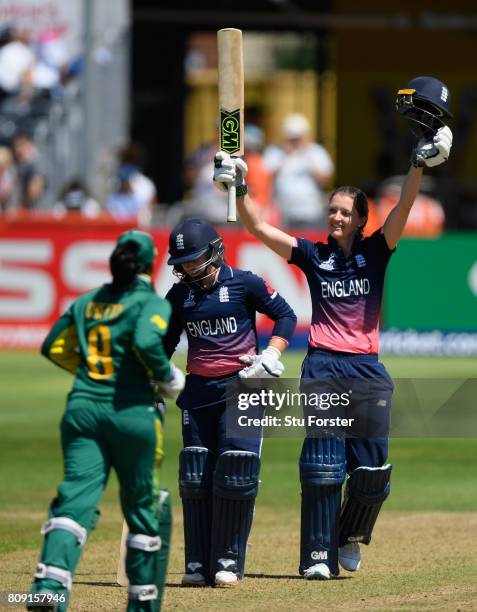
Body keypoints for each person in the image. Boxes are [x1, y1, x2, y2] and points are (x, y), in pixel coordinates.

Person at [213, 77, 453, 579]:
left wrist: (416, 163)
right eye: (332, 211)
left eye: (345, 212)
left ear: (362, 219)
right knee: (323, 467)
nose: (336, 217)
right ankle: (318, 556)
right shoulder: (313, 255)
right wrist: (238, 184)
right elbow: (257, 228)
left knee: (372, 475)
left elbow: (404, 208)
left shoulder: (376, 251)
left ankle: (349, 535)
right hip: (322, 364)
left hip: (366, 369)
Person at [27, 230, 185, 612]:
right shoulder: (150, 303)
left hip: (81, 410)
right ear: (150, 265)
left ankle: (48, 586)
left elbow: (54, 346)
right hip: (132, 413)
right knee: (140, 506)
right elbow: (148, 344)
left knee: (74, 499)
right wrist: (170, 379)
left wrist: (94, 372)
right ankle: (141, 603)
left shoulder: (87, 302)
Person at [163, 218, 297, 587]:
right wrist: (156, 380)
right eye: (183, 263)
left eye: (194, 260)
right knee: (197, 476)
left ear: (214, 252)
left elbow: (286, 315)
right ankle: (197, 563)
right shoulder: (178, 297)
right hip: (198, 393)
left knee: (236, 472)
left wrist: (271, 353)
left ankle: (229, 557)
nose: (189, 269)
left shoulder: (245, 283)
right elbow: (164, 344)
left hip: (242, 388)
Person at [263, 113, 334, 227]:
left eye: (297, 138)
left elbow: (325, 179)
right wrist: (285, 155)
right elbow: (266, 178)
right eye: (291, 138)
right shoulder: (274, 152)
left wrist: (308, 157)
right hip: (282, 212)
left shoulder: (316, 152)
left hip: (310, 212)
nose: (294, 142)